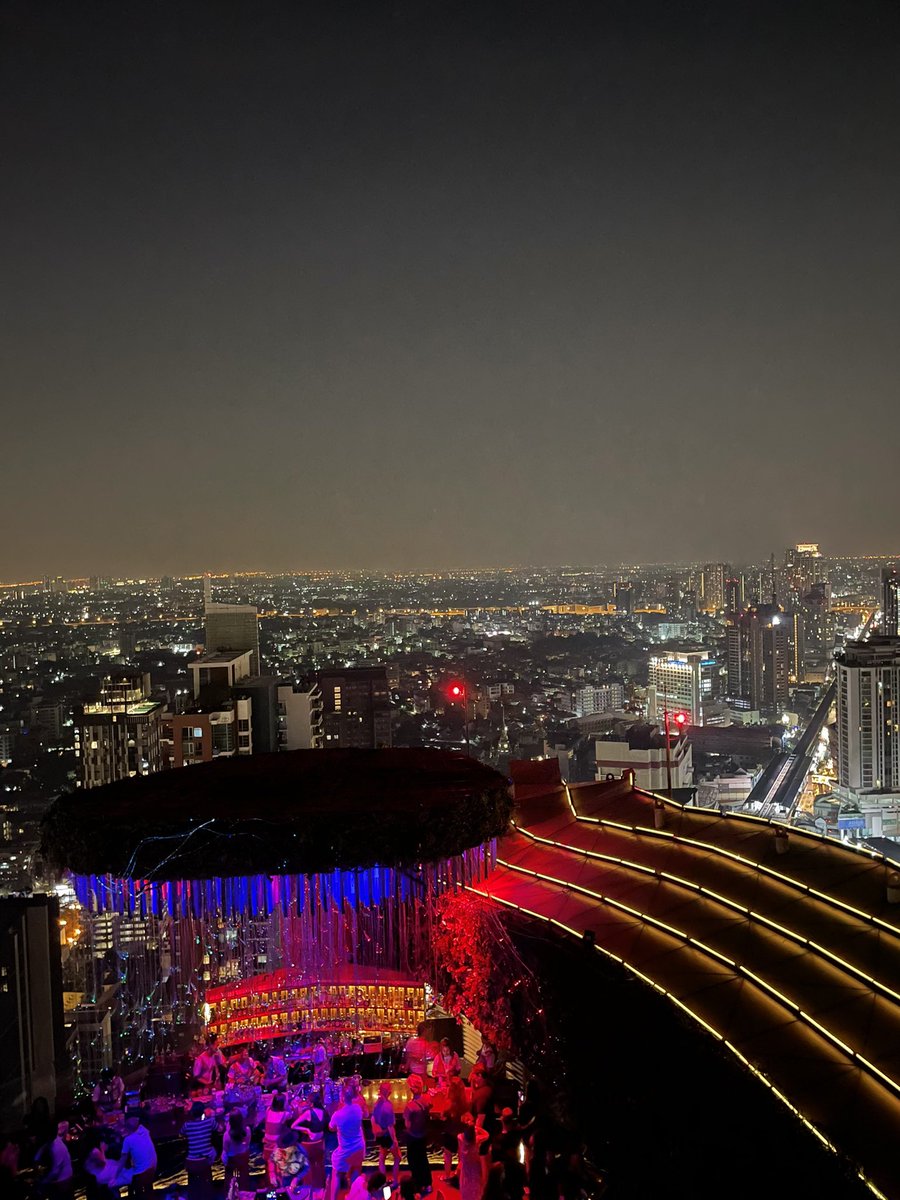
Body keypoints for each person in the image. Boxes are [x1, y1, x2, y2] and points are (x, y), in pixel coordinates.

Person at [329, 1086, 366, 1199]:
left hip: (345, 1149)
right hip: (358, 1147)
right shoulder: (358, 1109)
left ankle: (333, 1198)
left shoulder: (337, 1114)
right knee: (355, 1172)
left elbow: (331, 1127)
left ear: (342, 1097)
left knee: (336, 1173)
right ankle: (353, 1196)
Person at [293, 1090, 328, 1197]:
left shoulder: (308, 1113)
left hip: (311, 1146)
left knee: (298, 1149)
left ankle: (307, 1186)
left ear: (311, 1103)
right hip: (320, 1144)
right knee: (319, 1163)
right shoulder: (324, 1111)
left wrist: (306, 1130)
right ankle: (321, 1187)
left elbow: (293, 1126)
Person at [403, 1075, 432, 1194]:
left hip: (413, 1137)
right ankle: (427, 1184)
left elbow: (407, 1125)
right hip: (423, 1135)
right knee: (423, 1159)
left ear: (411, 1089)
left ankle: (418, 1185)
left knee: (414, 1162)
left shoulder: (409, 1106)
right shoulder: (427, 1100)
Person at [121, 1113, 157, 1200]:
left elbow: (123, 1160)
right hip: (153, 1167)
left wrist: (115, 1174)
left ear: (127, 1128)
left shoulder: (128, 1140)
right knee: (147, 1186)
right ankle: (148, 1194)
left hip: (142, 1173)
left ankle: (137, 1196)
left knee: (129, 1178)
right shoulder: (144, 1130)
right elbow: (135, 1125)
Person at [439, 1073, 469, 1180]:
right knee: (461, 1156)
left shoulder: (448, 1103)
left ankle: (447, 1176)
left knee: (447, 1155)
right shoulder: (465, 1102)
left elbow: (442, 1117)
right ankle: (460, 1176)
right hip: (461, 1132)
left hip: (450, 1132)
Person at [371, 1080, 400, 1185]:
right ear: (388, 1092)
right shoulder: (388, 1106)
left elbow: (373, 1119)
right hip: (388, 1136)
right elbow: (390, 1126)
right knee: (398, 1157)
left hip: (380, 1136)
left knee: (382, 1157)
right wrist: (394, 1140)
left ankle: (383, 1182)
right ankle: (395, 1182)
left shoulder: (376, 1104)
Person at [37, 1121, 73, 1199]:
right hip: (60, 1178)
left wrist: (42, 1182)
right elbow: (42, 1150)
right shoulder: (52, 1140)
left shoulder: (57, 1147)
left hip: (63, 1181)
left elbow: (55, 1172)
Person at [271, 1127, 309, 1196]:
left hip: (296, 1177)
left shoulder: (300, 1151)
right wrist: (272, 1173)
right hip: (282, 1177)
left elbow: (306, 1168)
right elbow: (271, 1161)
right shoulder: (278, 1147)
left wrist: (297, 1178)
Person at [457, 1122, 489, 1200]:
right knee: (475, 1183)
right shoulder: (477, 1140)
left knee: (466, 1183)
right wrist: (476, 1127)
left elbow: (459, 1151)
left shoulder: (460, 1137)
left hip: (466, 1165)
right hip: (475, 1165)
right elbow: (487, 1135)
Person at [222, 1110, 251, 1191]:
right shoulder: (247, 1130)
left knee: (230, 1182)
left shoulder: (227, 1135)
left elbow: (225, 1150)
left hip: (232, 1161)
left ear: (230, 1121)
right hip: (243, 1158)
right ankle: (244, 1191)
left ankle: (231, 1192)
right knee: (243, 1180)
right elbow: (247, 1144)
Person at [263, 1092, 290, 1177]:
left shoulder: (268, 1110)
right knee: (290, 1135)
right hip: (276, 1142)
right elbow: (290, 1115)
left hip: (266, 1140)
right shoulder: (285, 1114)